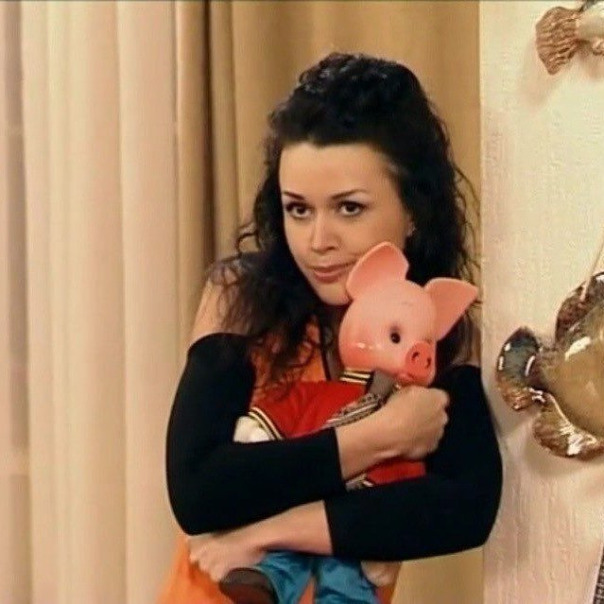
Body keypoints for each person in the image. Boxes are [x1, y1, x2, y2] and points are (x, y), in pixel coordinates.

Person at [162, 52, 502, 604]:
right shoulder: (240, 297)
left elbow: (465, 508)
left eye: (349, 209)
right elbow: (199, 489)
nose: (318, 241)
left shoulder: (435, 324)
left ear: (414, 211)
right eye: (299, 210)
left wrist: (268, 531)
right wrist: (380, 437)